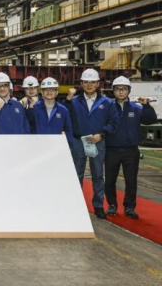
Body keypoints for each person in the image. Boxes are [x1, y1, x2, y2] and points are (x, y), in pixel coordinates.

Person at [65, 68, 119, 219]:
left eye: (93, 82)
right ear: (81, 83)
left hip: (97, 141)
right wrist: (68, 99)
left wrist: (101, 134)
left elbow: (114, 122)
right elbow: (64, 116)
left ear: (98, 84)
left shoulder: (107, 103)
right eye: (86, 82)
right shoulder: (73, 101)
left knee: (98, 174)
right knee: (77, 174)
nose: (89, 85)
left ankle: (98, 206)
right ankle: (75, 205)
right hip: (78, 141)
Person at [105, 76, 157, 219]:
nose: (121, 92)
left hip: (131, 151)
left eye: (124, 89)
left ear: (129, 91)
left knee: (131, 181)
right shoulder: (107, 108)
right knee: (110, 180)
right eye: (117, 89)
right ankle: (112, 205)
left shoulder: (137, 108)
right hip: (112, 149)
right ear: (113, 91)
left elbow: (150, 120)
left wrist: (147, 106)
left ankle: (129, 207)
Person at [26, 78, 74, 148]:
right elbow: (27, 125)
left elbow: (68, 131)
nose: (49, 92)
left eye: (52, 89)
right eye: (46, 89)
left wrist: (68, 147)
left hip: (56, 147)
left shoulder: (63, 110)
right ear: (42, 92)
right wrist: (30, 107)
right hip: (37, 147)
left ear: (57, 92)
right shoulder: (34, 108)